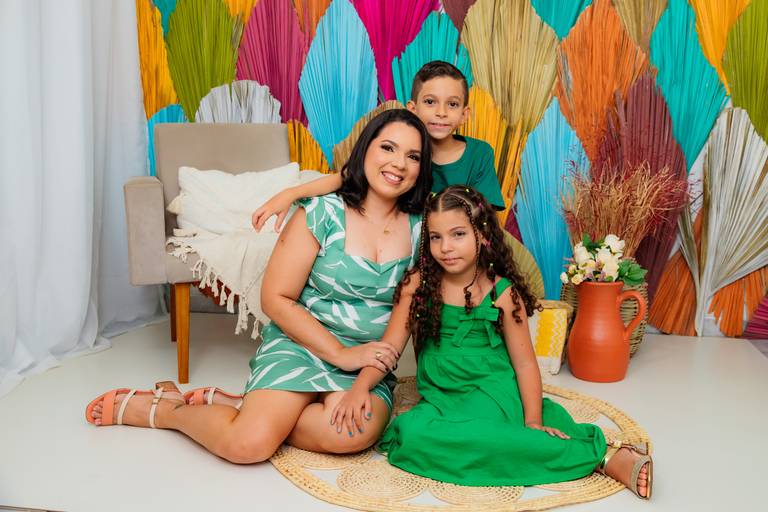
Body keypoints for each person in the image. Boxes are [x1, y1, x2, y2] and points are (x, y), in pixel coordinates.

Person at [85, 109, 433, 461]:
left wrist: (363, 375)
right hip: (303, 344)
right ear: (366, 149)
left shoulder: (423, 231)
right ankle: (168, 411)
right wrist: (339, 354)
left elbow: (399, 326)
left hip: (367, 362)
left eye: (413, 156)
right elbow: (276, 299)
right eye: (388, 147)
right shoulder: (321, 212)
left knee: (349, 434)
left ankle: (248, 408)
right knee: (247, 445)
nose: (399, 163)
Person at [331, 186, 653, 498]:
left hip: (494, 392)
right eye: (436, 237)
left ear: (482, 234)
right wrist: (360, 388)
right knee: (412, 434)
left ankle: (601, 457)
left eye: (458, 234)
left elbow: (524, 364)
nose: (445, 247)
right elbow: (389, 348)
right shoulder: (418, 285)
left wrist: (532, 421)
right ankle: (534, 446)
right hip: (443, 397)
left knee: (503, 431)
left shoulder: (502, 293)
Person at [251, 60, 506, 233]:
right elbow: (344, 177)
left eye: (452, 104)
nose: (441, 112)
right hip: (407, 243)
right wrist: (290, 194)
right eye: (430, 102)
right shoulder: (401, 153)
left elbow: (487, 217)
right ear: (412, 109)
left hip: (455, 245)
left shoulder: (479, 153)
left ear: (464, 115)